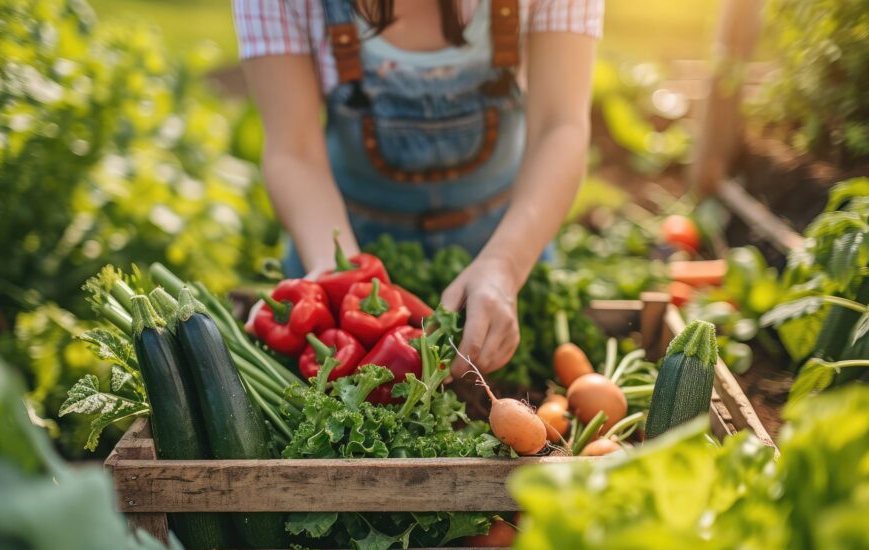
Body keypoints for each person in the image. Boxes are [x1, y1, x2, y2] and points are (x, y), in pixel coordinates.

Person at [234, 0, 600, 377]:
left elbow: (560, 127)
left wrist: (505, 265)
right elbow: (294, 151)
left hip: (505, 238)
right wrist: (338, 275)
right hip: (340, 237)